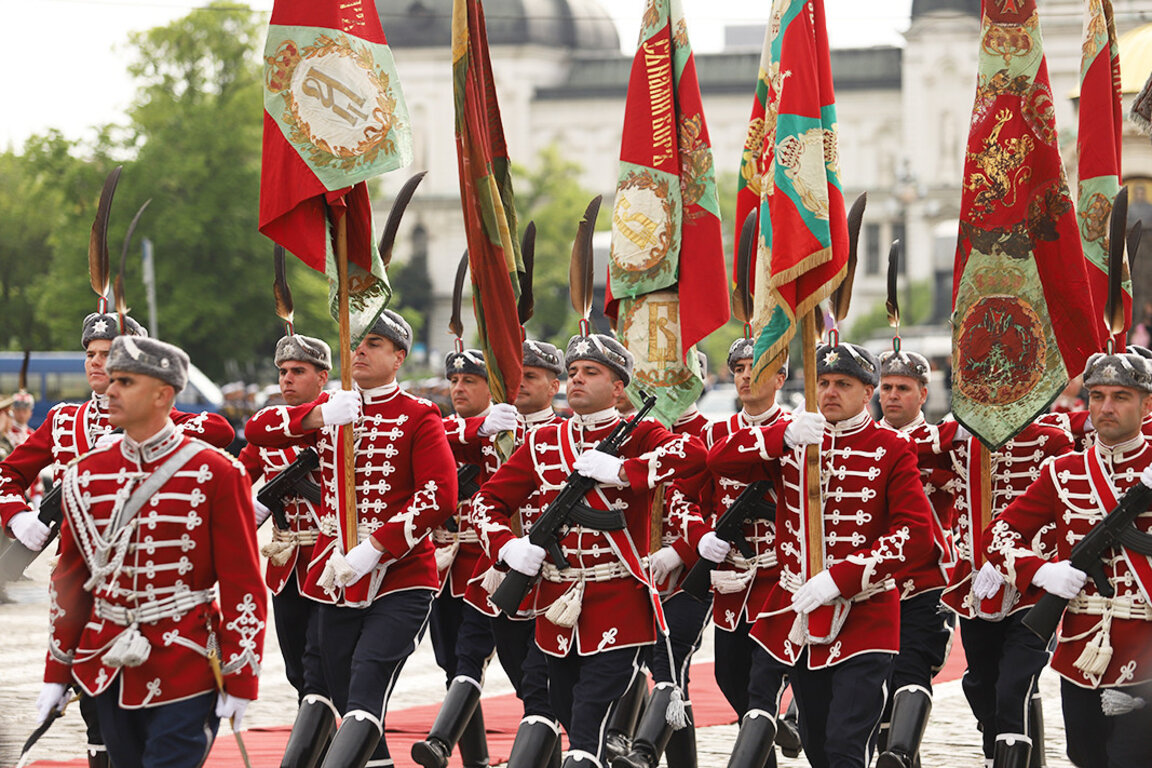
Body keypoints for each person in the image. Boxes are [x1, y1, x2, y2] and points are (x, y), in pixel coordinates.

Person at [0, 312, 234, 768]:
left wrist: (151, 423)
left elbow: (220, 430)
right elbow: (8, 471)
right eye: (90, 354)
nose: (95, 363)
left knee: (159, 699)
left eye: (108, 355)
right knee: (93, 700)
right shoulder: (65, 421)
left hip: (157, 581)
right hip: (85, 581)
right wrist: (17, 516)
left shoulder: (160, 414)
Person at [470, 332, 706, 768]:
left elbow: (693, 454)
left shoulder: (639, 434)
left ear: (619, 388)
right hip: (555, 603)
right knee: (564, 706)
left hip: (618, 599)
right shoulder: (544, 442)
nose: (576, 379)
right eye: (573, 372)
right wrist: (508, 547)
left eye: (591, 373)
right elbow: (488, 501)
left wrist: (624, 469)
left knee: (590, 716)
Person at [243, 309, 457, 768]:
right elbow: (258, 431)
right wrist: (319, 414)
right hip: (334, 575)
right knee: (338, 686)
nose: (359, 351)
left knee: (366, 677)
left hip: (401, 574)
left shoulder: (419, 414)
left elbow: (439, 494)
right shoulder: (332, 413)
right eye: (356, 343)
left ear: (399, 357)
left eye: (374, 345)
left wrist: (376, 546)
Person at [708, 341, 933, 768]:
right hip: (796, 614)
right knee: (813, 740)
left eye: (843, 384)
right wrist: (780, 435)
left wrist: (842, 576)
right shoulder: (796, 439)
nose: (830, 392)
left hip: (863, 614)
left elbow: (916, 533)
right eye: (823, 383)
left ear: (868, 392)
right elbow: (719, 460)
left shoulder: (892, 447)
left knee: (845, 744)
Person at [984, 350, 1152, 768]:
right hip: (1081, 652)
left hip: (1147, 648)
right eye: (1097, 396)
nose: (1106, 407)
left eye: (1120, 396)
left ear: (1147, 405)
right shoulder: (1063, 472)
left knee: (1131, 757)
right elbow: (998, 534)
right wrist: (1040, 571)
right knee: (1085, 756)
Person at [454, 339, 568, 768]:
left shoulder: (567, 434)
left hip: (557, 581)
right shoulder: (492, 430)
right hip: (500, 578)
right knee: (521, 677)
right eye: (515, 376)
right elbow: (435, 433)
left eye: (532, 377)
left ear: (554, 385)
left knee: (545, 688)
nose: (519, 385)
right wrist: (478, 427)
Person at [937, 411, 1072, 767]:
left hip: (1032, 584)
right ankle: (993, 752)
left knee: (1015, 684)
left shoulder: (1052, 439)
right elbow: (905, 446)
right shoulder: (958, 438)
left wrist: (1025, 563)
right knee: (981, 682)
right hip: (976, 583)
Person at [413, 347, 517, 768]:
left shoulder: (510, 428)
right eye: (454, 381)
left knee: (499, 661)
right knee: (452, 661)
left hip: (493, 563)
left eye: (469, 381)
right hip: (448, 565)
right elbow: (439, 438)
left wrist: (489, 430)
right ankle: (475, 758)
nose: (458, 388)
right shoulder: (443, 428)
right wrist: (477, 429)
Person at [239, 333, 336, 767]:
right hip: (285, 563)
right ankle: (321, 744)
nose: (287, 380)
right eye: (282, 372)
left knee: (322, 662)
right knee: (298, 666)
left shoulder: (341, 420)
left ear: (323, 377)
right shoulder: (271, 427)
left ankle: (317, 753)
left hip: (331, 562)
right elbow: (241, 475)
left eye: (298, 372)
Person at [873, 350, 959, 768]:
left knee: (912, 670)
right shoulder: (864, 443)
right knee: (874, 696)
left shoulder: (944, 442)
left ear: (923, 393)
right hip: (872, 583)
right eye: (886, 387)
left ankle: (901, 755)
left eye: (903, 388)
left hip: (925, 580)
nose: (892, 396)